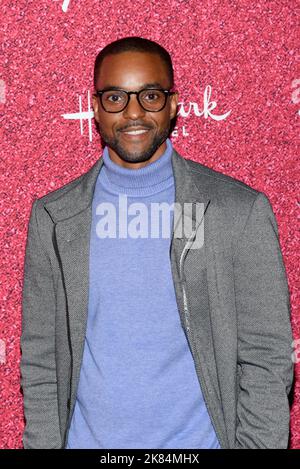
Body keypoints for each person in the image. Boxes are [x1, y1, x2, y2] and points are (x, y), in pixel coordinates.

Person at [20, 36, 294, 449]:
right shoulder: (56, 218)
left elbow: (267, 357)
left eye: (149, 96)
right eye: (116, 97)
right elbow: (41, 359)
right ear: (95, 107)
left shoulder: (236, 212)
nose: (133, 113)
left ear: (173, 103)